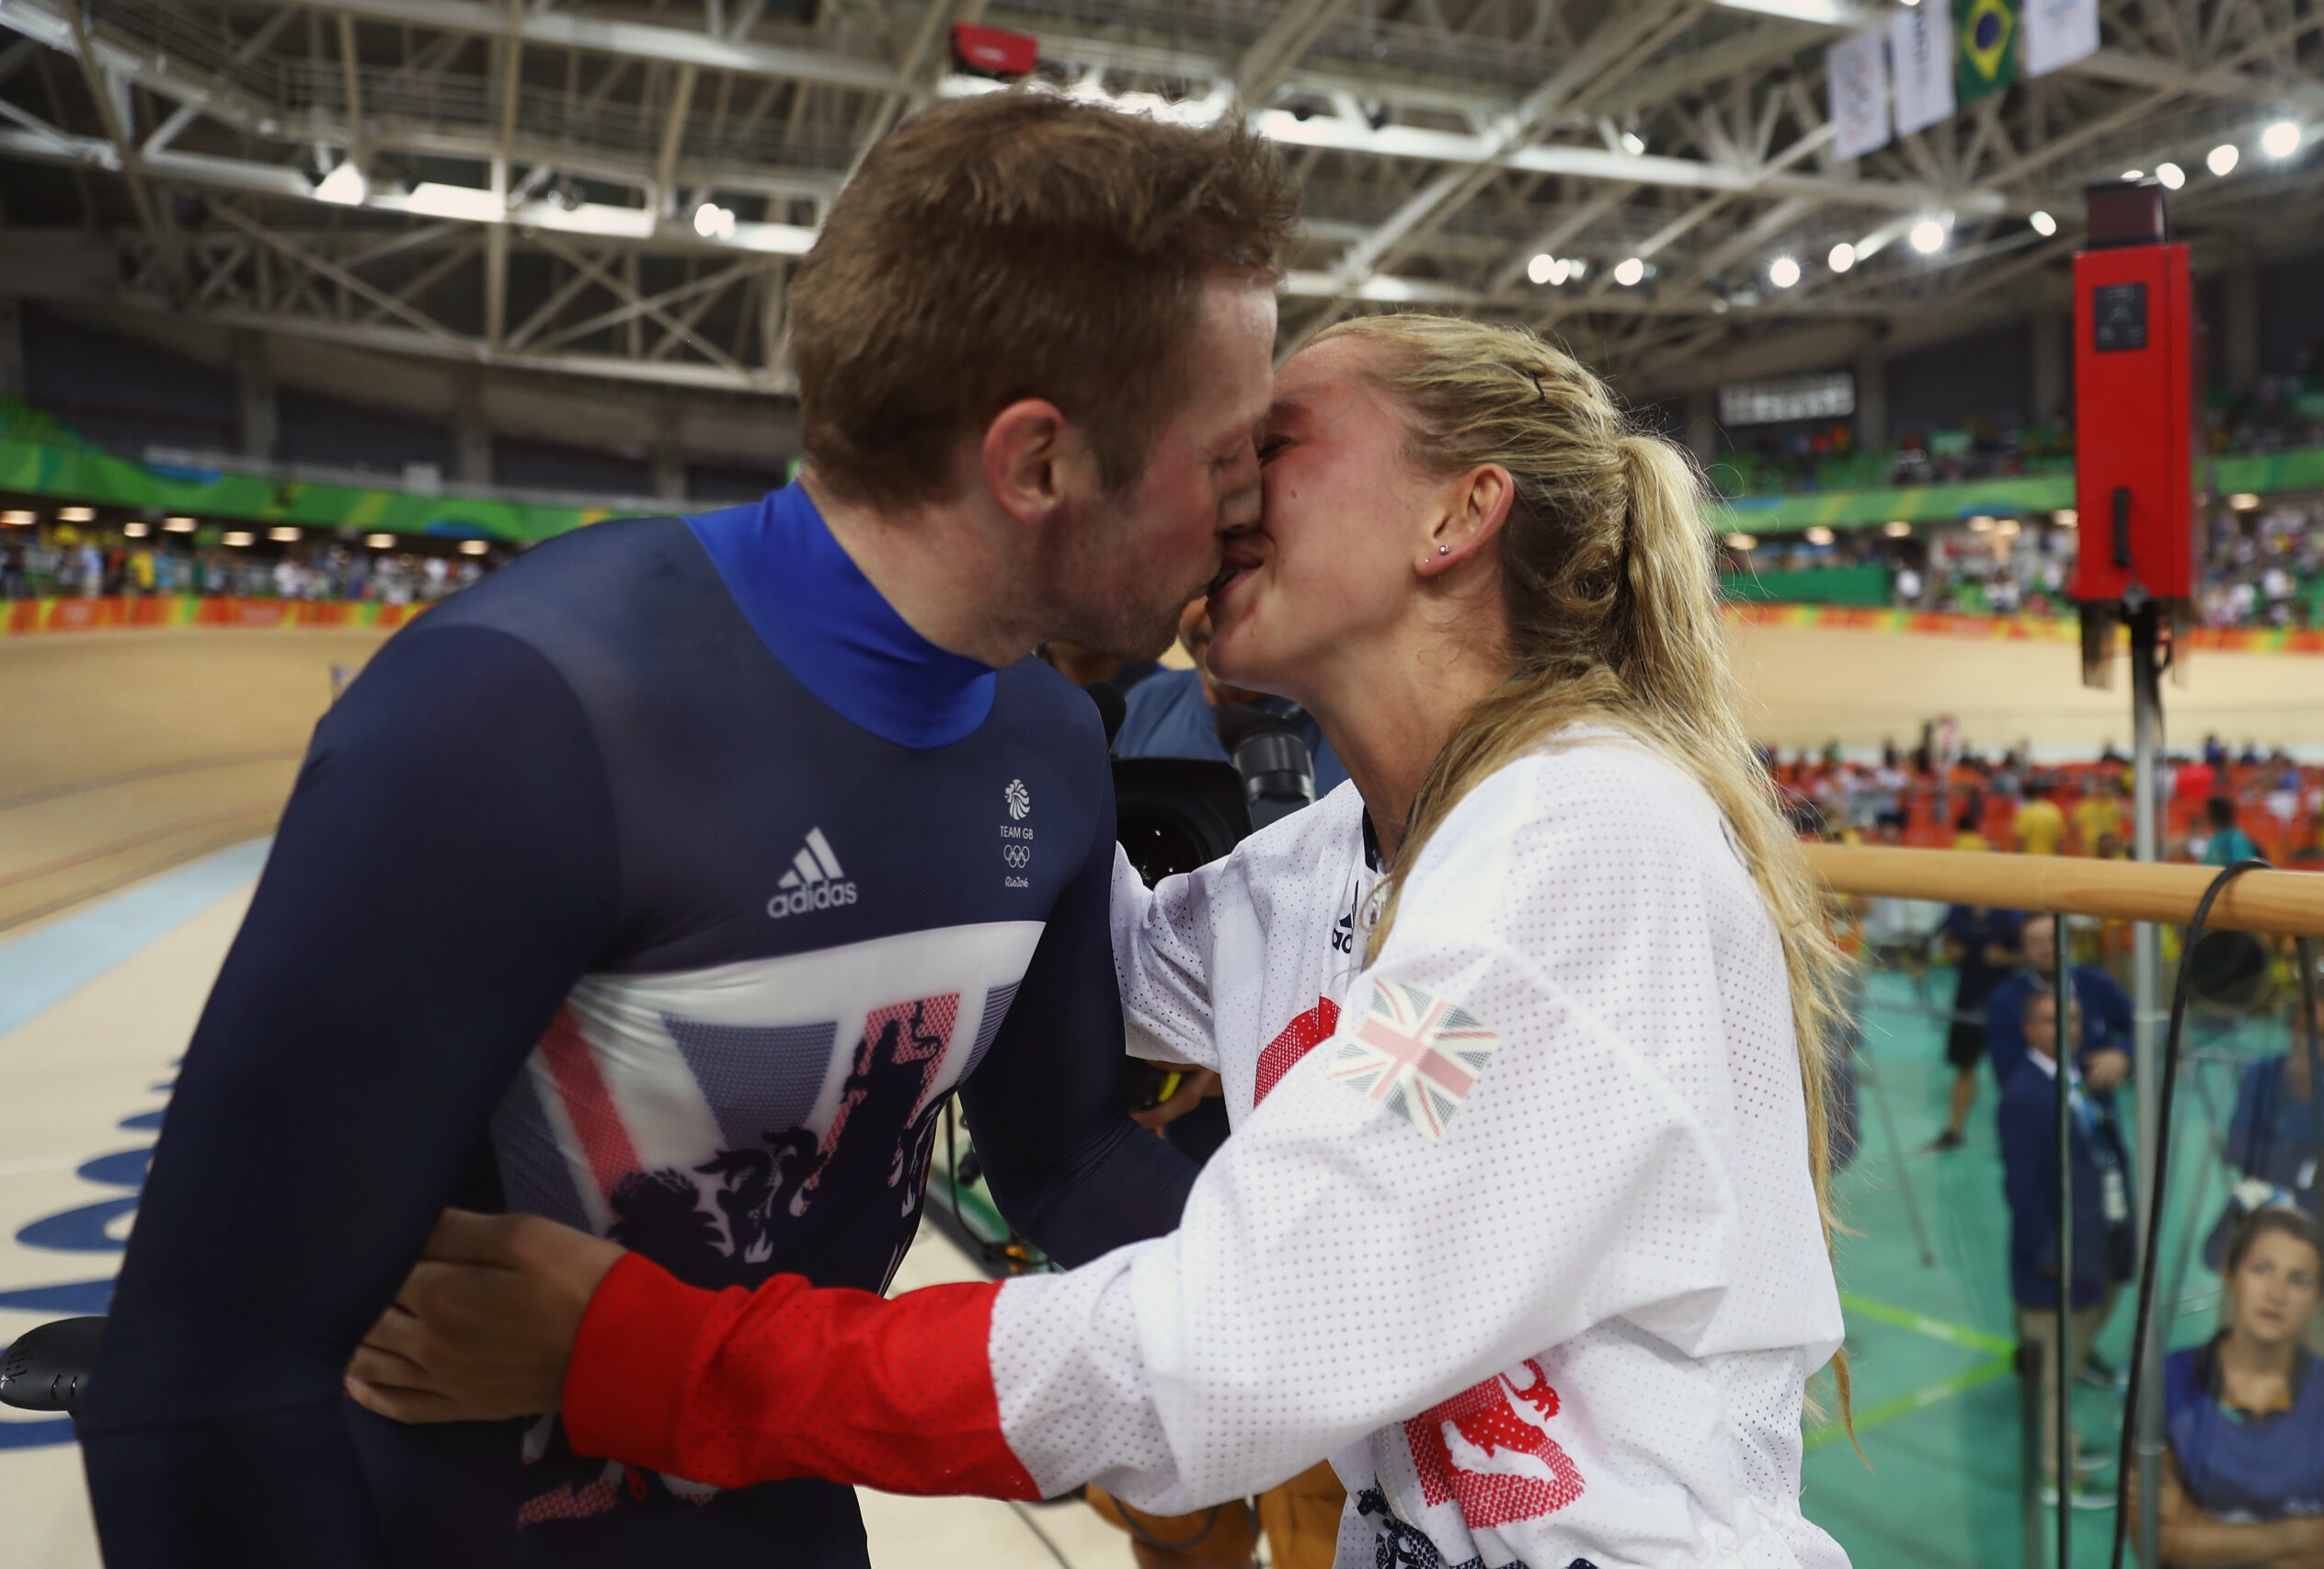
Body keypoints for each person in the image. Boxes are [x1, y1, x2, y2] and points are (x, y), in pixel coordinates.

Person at [349, 315, 1855, 1569]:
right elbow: (1029, 960)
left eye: (1276, 443)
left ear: (1458, 516)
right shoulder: (1337, 861)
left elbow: (1216, 1356)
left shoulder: (1590, 845)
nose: (1218, 487)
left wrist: (647, 1358)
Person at [76, 93, 1298, 1569]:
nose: (1249, 508)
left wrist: (1364, 1320)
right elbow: (201, 1379)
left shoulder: (1048, 738)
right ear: (1037, 462)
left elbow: (1064, 1156)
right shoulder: (519, 713)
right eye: (1227, 453)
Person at [2144, 1208, 2324, 1566]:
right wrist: (2299, 1534)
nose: (2276, 1293)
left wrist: (2203, 1530)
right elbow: (2157, 1542)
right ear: (2230, 1273)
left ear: (2319, 1299)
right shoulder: (2168, 1380)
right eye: (2261, 1269)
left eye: (2299, 1280)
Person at [1998, 983, 2137, 1509]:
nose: (2069, 1030)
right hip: (2060, 1264)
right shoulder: (2026, 1096)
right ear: (2029, 1030)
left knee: (2072, 1360)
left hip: (2100, 1245)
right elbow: (2023, 1190)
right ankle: (2058, 1474)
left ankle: (2068, 1446)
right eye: (2054, 1021)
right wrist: (2050, 1258)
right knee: (2055, 1377)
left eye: (2075, 1019)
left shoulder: (2081, 1079)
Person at [2225, 950, 2324, 1359]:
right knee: (2242, 1352)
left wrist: (2303, 1100)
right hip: (2263, 1228)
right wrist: (2309, 1170)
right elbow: (2240, 1149)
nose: (2310, 1046)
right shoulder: (2263, 1074)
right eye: (2303, 1033)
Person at [1116, 592, 1349, 796]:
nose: (1215, 614)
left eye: (1234, 581)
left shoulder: (1349, 718)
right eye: (1199, 588)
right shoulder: (1144, 707)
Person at [1984, 911, 2134, 1090]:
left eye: (2053, 938)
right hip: (2040, 1106)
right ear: (2023, 949)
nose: (2047, 948)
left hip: (2099, 1106)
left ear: (2070, 942)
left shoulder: (2096, 983)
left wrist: (2123, 1054)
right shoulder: (2004, 1001)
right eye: (2035, 941)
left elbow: (2141, 1026)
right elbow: (2007, 1070)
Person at [1928, 896, 2024, 1151]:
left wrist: (2007, 958)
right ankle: (1954, 1130)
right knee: (1964, 1066)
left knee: (2010, 1071)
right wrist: (1951, 948)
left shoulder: (2010, 913)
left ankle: (2016, 1135)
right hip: (1968, 996)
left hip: (2003, 1002)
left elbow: (2029, 952)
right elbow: (1945, 936)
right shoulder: (1961, 908)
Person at [2204, 794, 2263, 866]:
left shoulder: (2236, 840)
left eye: (2208, 811)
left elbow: (2242, 869)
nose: (2206, 815)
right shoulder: (2216, 837)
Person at [2016, 780, 2066, 856]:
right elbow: (2058, 842)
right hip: (2050, 858)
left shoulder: (2026, 813)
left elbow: (2021, 841)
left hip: (2031, 858)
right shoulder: (2054, 810)